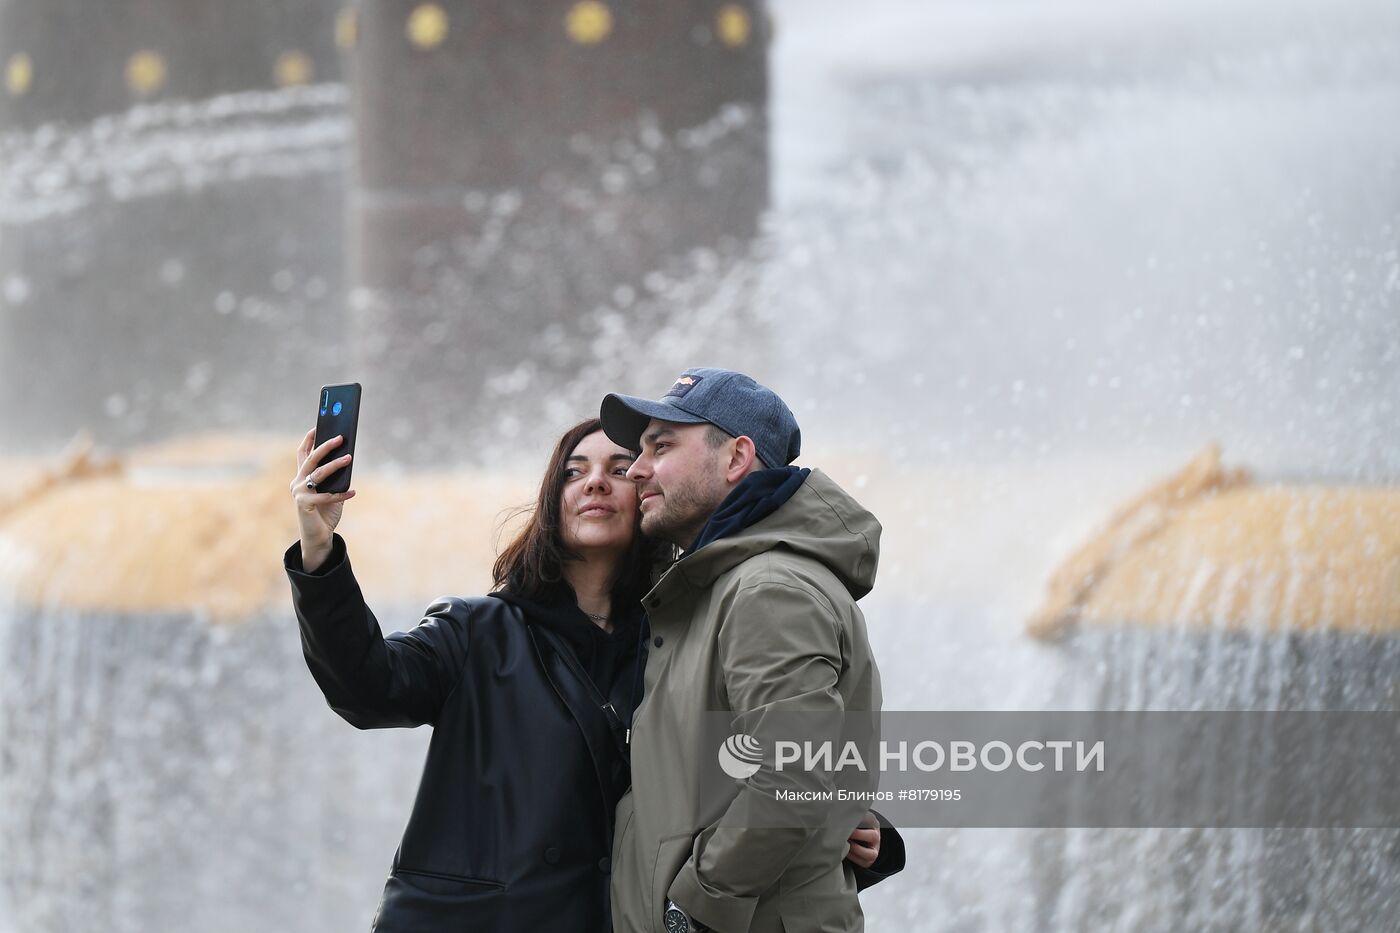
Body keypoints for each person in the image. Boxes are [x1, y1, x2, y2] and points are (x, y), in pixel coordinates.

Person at [283, 417, 894, 931]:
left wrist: (846, 822)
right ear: (554, 500)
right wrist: (319, 552)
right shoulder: (479, 631)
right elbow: (365, 687)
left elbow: (767, 761)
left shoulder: (678, 641)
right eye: (574, 472)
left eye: (620, 467)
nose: (595, 481)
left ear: (647, 495)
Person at [600, 368, 899, 933]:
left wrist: (696, 908)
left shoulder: (768, 589)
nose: (637, 470)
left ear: (736, 458)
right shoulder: (714, 587)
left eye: (660, 447)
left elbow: (791, 777)